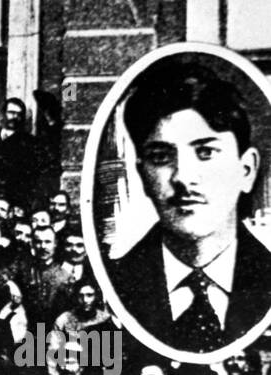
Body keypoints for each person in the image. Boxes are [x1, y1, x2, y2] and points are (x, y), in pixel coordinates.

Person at [109, 57, 271, 353]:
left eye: (206, 152)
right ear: (143, 176)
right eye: (161, 156)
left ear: (246, 171)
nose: (183, 177)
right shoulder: (115, 284)